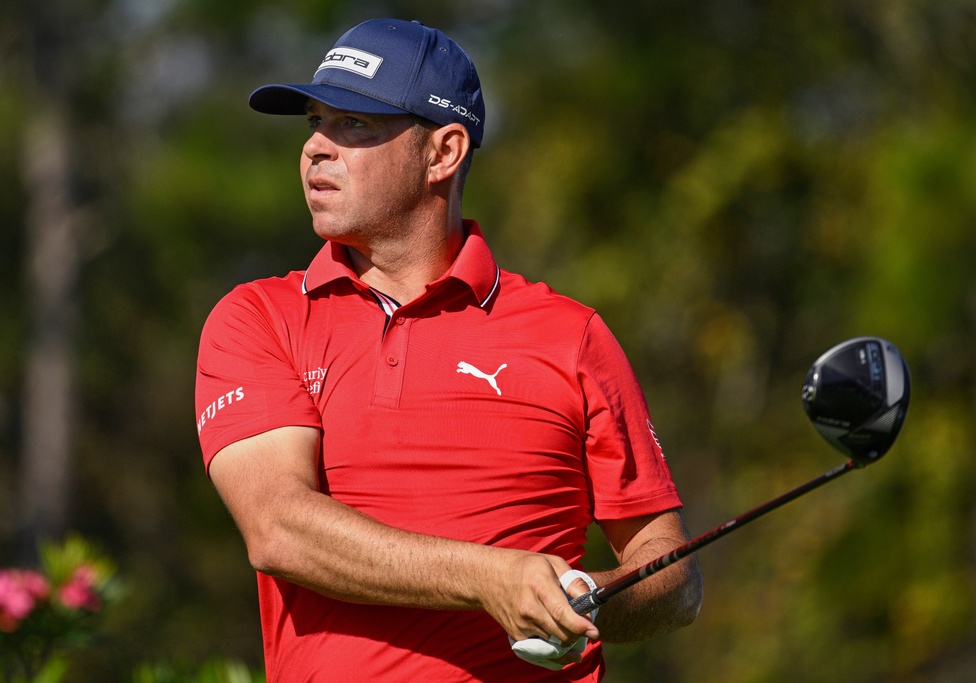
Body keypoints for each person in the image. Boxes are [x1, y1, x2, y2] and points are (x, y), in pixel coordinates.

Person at [195, 17, 702, 682]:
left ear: (443, 152)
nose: (316, 149)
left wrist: (590, 602)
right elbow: (279, 527)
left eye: (354, 125)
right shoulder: (259, 318)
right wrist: (491, 578)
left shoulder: (570, 334)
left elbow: (673, 573)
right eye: (314, 122)